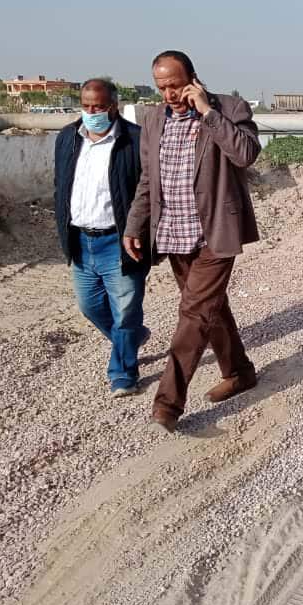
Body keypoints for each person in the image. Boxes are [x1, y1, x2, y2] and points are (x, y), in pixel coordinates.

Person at [123, 50, 261, 433]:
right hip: (173, 233)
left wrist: (207, 112)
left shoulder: (229, 108)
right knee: (210, 308)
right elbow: (148, 180)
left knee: (194, 314)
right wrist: (134, 225)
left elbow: (246, 154)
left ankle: (167, 404)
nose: (169, 94)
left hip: (215, 232)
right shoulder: (153, 120)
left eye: (175, 85)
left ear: (193, 79)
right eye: (161, 87)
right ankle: (239, 371)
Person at [53, 78, 150, 397]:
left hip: (120, 242)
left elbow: (147, 190)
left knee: (125, 311)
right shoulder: (68, 137)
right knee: (90, 306)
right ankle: (132, 338)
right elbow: (61, 184)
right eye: (86, 106)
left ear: (114, 106)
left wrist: (138, 231)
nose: (92, 113)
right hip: (81, 240)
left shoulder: (134, 140)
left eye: (99, 106)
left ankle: (123, 373)